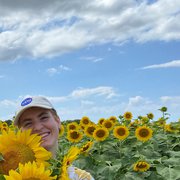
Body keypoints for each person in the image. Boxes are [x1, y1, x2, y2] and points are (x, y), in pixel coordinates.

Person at [14, 96, 94, 180]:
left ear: (57, 121)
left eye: (44, 118)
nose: (38, 127)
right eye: (28, 123)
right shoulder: (12, 174)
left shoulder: (80, 177)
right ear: (21, 132)